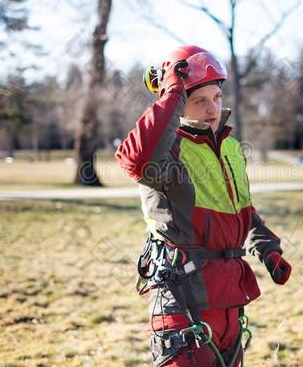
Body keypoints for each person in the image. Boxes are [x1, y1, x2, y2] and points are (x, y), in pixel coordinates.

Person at [115, 45, 292, 367]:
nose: (212, 109)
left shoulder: (231, 148)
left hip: (230, 295)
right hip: (183, 299)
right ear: (179, 102)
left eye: (217, 98)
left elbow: (243, 210)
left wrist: (268, 248)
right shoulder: (169, 151)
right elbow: (134, 160)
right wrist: (171, 93)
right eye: (199, 101)